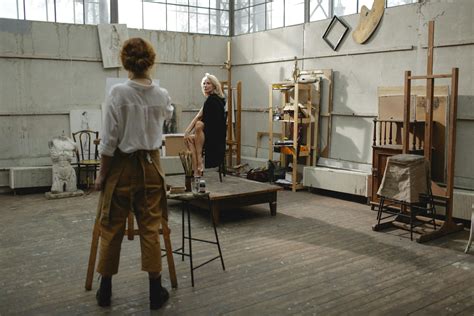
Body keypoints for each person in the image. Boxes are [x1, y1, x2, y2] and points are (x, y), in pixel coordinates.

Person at [94, 37, 173, 310]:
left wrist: (102, 175)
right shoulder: (161, 95)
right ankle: (155, 291)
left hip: (122, 167)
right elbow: (168, 115)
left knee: (111, 226)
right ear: (150, 61)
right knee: (151, 228)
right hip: (152, 167)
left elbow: (109, 141)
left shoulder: (118, 93)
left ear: (125, 62)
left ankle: (105, 290)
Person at [184, 73, 226, 176]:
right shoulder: (213, 99)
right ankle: (197, 170)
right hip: (208, 135)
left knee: (198, 125)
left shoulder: (212, 100)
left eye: (208, 83)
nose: (205, 85)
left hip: (214, 137)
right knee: (189, 138)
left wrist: (187, 131)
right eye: (204, 84)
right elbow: (199, 115)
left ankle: (198, 162)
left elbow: (199, 118)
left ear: (214, 86)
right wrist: (187, 132)